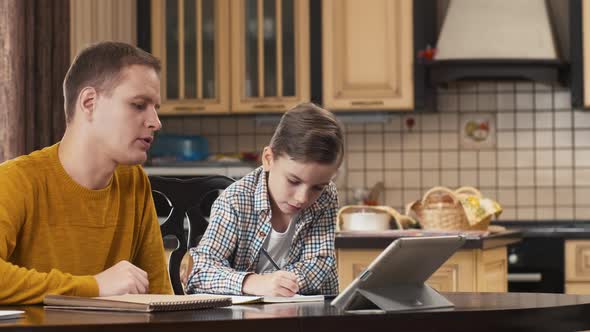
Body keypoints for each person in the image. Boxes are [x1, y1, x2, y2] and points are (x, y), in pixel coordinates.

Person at [0, 41, 172, 305]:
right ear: (89, 102)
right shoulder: (16, 181)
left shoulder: (134, 182)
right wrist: (93, 286)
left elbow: (159, 296)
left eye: (155, 108)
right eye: (139, 105)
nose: (155, 122)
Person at [186, 103, 344, 296]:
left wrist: (279, 283)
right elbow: (200, 271)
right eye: (293, 181)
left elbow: (319, 262)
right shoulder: (235, 200)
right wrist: (256, 283)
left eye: (317, 187)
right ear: (268, 159)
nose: (302, 198)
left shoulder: (326, 196)